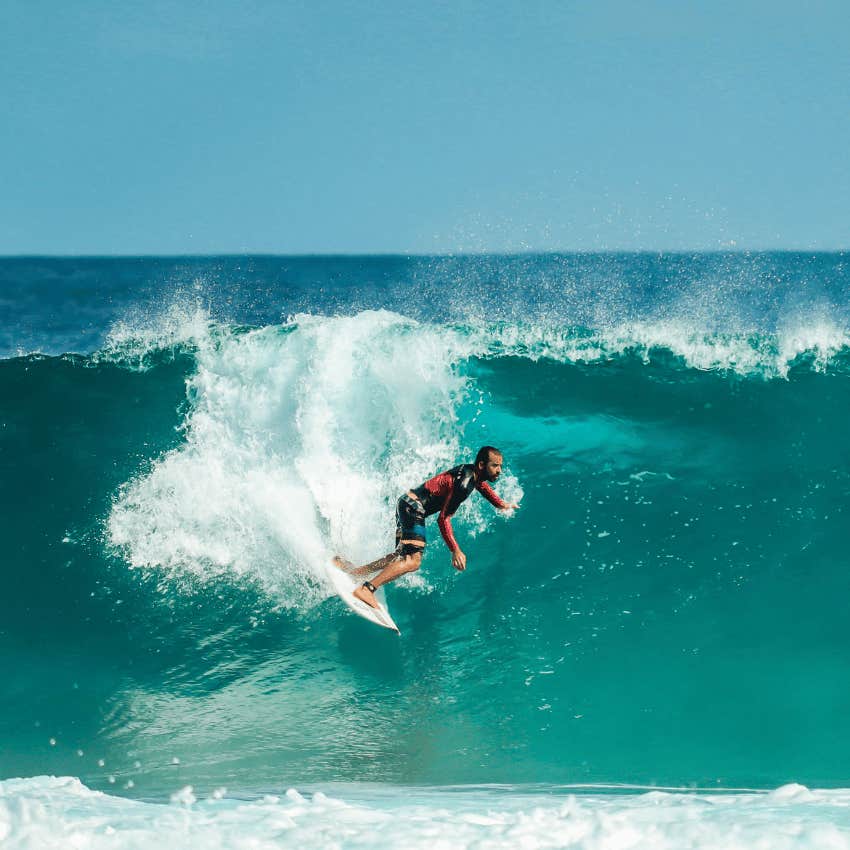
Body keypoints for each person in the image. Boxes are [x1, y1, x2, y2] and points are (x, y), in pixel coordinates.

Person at [334, 446, 519, 609]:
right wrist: (455, 550)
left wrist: (500, 504)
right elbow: (443, 518)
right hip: (414, 509)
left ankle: (356, 573)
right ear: (481, 465)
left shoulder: (471, 473)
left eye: (500, 466)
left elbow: (482, 487)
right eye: (495, 466)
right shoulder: (464, 485)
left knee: (399, 557)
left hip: (405, 502)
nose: (499, 470)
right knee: (413, 561)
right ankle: (367, 589)